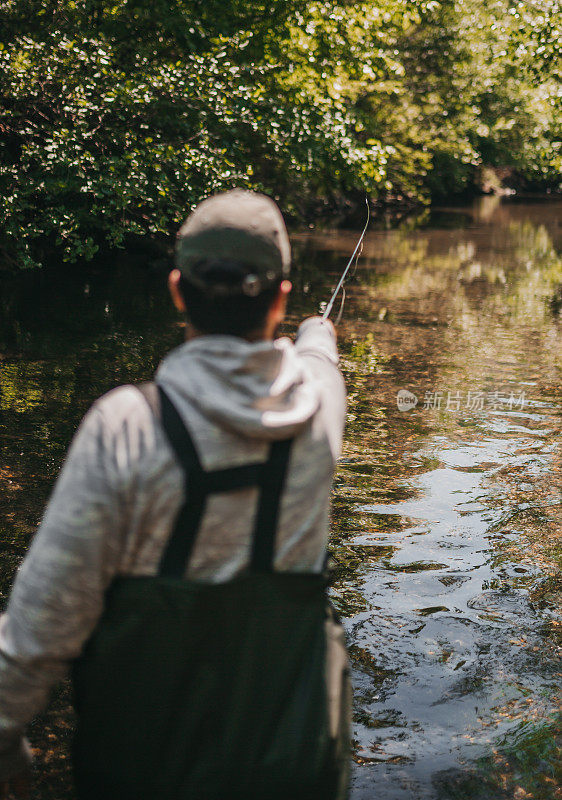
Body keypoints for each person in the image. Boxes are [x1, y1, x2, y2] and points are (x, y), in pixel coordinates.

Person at [0, 189, 350, 799]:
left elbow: (43, 629)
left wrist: (6, 743)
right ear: (280, 299)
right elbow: (319, 358)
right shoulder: (322, 409)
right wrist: (317, 332)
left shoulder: (124, 426)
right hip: (290, 771)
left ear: (176, 291)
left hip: (145, 771)